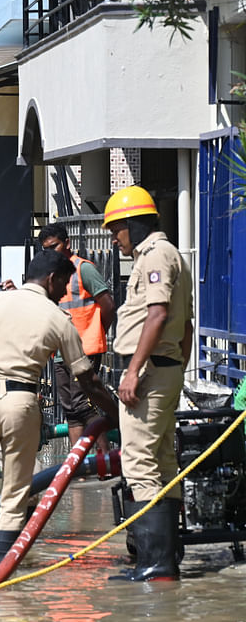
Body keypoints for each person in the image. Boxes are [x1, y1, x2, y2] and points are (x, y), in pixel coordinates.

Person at [0, 249, 119, 571]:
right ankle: (0, 585)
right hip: (21, 403)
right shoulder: (57, 318)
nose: (64, 293)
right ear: (51, 279)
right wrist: (117, 415)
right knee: (12, 501)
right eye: (64, 284)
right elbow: (88, 381)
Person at [104, 186, 193, 582]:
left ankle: (154, 564)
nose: (114, 239)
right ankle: (166, 561)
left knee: (140, 464)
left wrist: (135, 370)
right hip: (165, 368)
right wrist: (175, 367)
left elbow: (157, 315)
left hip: (150, 373)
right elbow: (185, 327)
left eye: (115, 231)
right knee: (162, 462)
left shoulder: (155, 256)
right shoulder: (173, 255)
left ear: (131, 224)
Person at [38, 222, 116, 454]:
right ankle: (78, 467)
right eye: (47, 249)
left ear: (67, 243)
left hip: (86, 349)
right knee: (70, 410)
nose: (52, 252)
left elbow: (108, 306)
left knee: (84, 406)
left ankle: (104, 460)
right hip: (60, 352)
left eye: (55, 246)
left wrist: (96, 332)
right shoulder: (50, 276)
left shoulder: (83, 269)